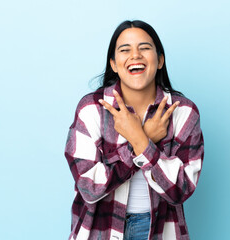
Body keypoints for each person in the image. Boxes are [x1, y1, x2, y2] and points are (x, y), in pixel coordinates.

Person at [64, 20, 204, 240]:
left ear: (160, 60)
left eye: (145, 48)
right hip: (100, 230)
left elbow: (181, 189)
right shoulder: (92, 109)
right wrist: (142, 140)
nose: (135, 55)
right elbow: (89, 186)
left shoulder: (183, 112)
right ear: (114, 63)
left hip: (159, 229)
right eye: (125, 49)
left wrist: (141, 140)